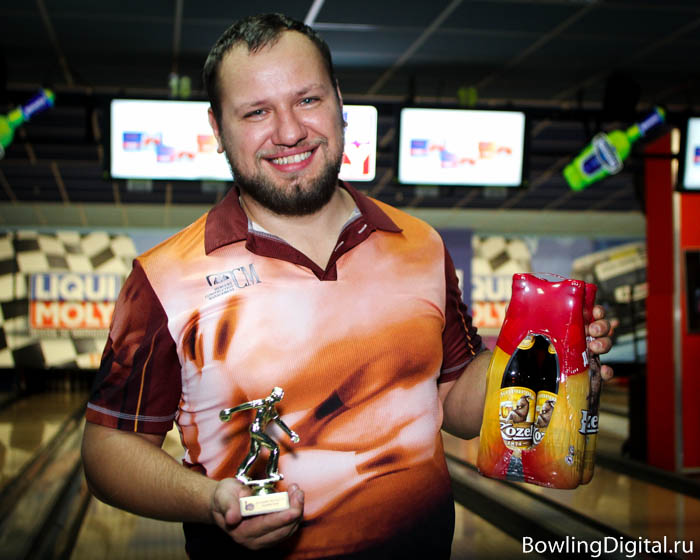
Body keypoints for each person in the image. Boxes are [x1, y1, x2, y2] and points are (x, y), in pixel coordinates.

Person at [81, 13, 615, 559]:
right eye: (257, 112)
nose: (289, 131)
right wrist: (209, 500)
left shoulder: (420, 244)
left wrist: (541, 352)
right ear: (217, 129)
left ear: (339, 102)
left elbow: (453, 403)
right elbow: (107, 450)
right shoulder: (163, 278)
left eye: (307, 100)